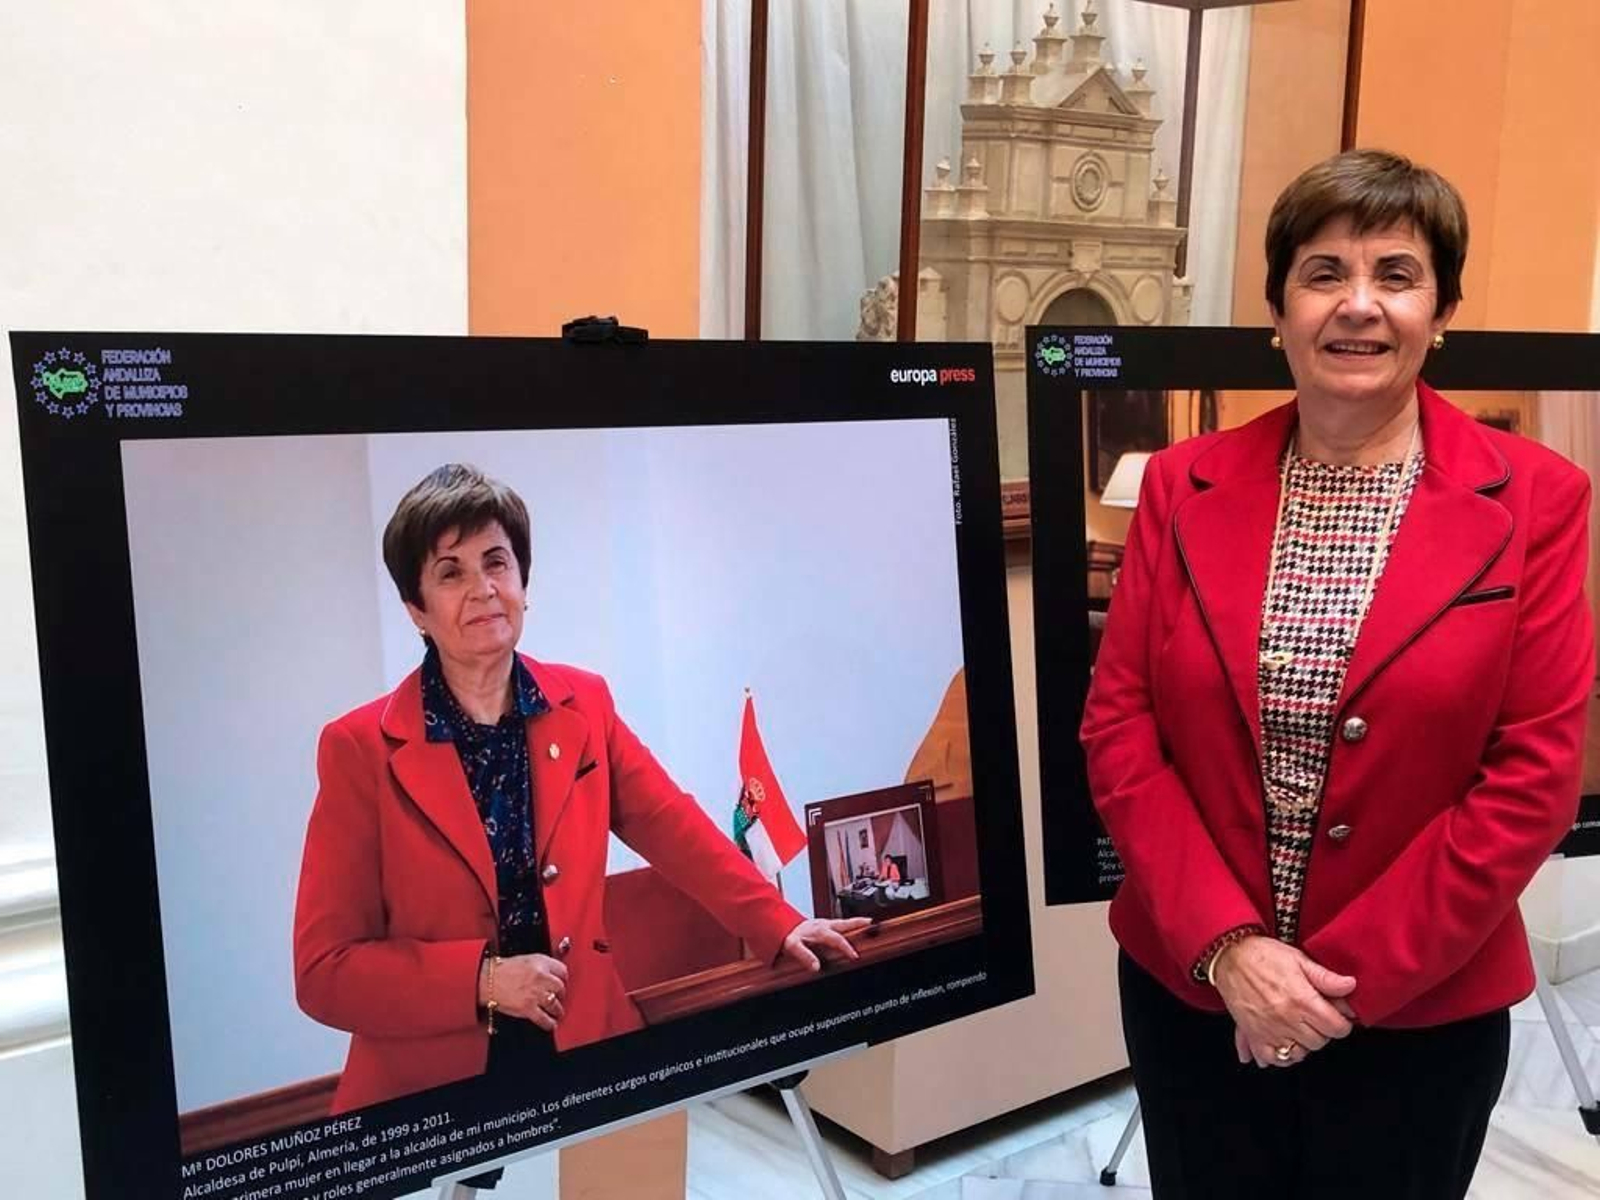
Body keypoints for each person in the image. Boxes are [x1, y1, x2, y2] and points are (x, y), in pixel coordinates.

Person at [1080, 149, 1592, 1198]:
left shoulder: (1538, 499)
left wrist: (1329, 989)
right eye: (1323, 273)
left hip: (1418, 1015)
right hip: (1197, 997)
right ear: (1278, 311)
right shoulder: (1180, 485)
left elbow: (1532, 776)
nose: (1358, 305)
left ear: (1441, 312)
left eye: (1396, 275)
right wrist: (1231, 949)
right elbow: (1120, 728)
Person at [294, 464, 868, 1121]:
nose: (483, 588)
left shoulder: (583, 703)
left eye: (496, 562)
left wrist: (779, 921)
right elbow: (322, 970)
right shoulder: (358, 748)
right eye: (450, 572)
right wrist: (484, 981)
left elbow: (672, 825)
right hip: (433, 1088)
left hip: (585, 1044)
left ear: (523, 582)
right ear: (416, 610)